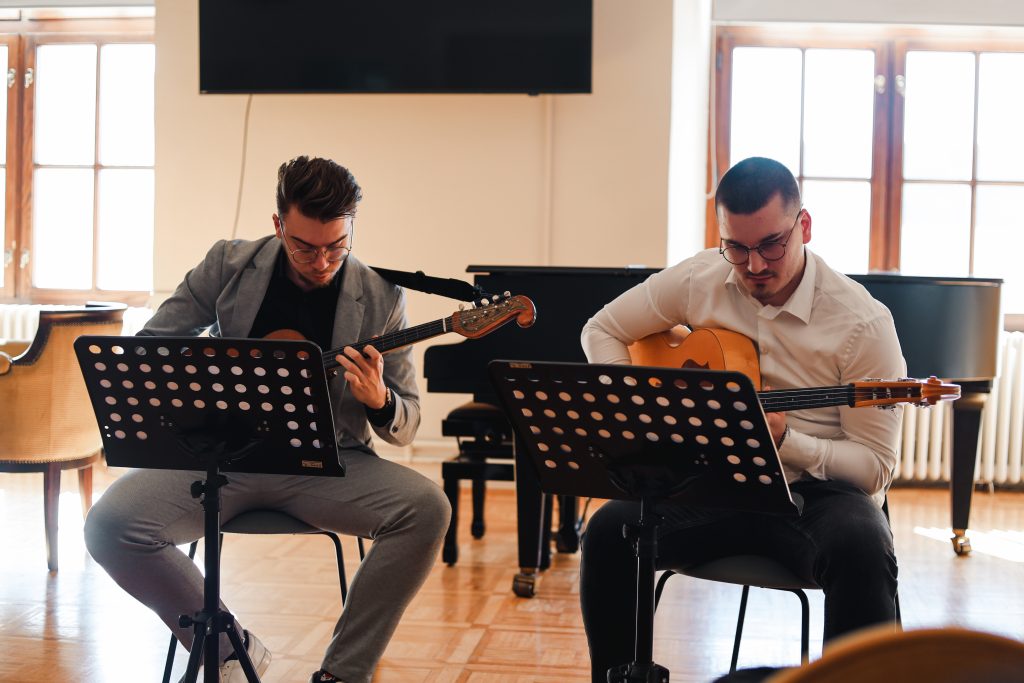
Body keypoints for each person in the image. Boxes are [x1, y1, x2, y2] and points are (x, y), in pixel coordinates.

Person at [84, 156, 452, 683]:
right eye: (305, 247)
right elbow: (153, 347)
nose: (322, 261)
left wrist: (378, 400)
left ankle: (342, 673)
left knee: (427, 508)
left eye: (337, 246)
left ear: (351, 228)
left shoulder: (381, 296)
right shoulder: (229, 264)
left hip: (329, 464)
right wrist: (209, 374)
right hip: (220, 458)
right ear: (279, 225)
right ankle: (230, 651)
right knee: (109, 525)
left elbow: (408, 421)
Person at [578, 156, 905, 681]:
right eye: (736, 247)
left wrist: (787, 439)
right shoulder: (700, 277)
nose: (754, 266)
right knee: (607, 532)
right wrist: (646, 410)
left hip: (816, 497)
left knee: (862, 545)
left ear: (804, 226)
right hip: (714, 482)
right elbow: (602, 329)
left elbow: (874, 470)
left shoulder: (862, 324)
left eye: (771, 245)